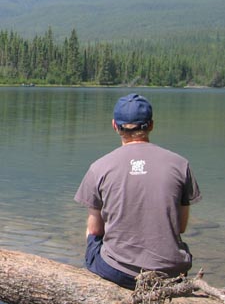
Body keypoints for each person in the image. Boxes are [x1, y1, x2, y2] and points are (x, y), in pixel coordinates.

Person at [74, 93, 201, 290]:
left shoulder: (99, 167)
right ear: (151, 125)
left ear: (115, 125)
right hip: (171, 272)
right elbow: (180, 227)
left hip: (119, 273)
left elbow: (95, 230)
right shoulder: (180, 164)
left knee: (93, 236)